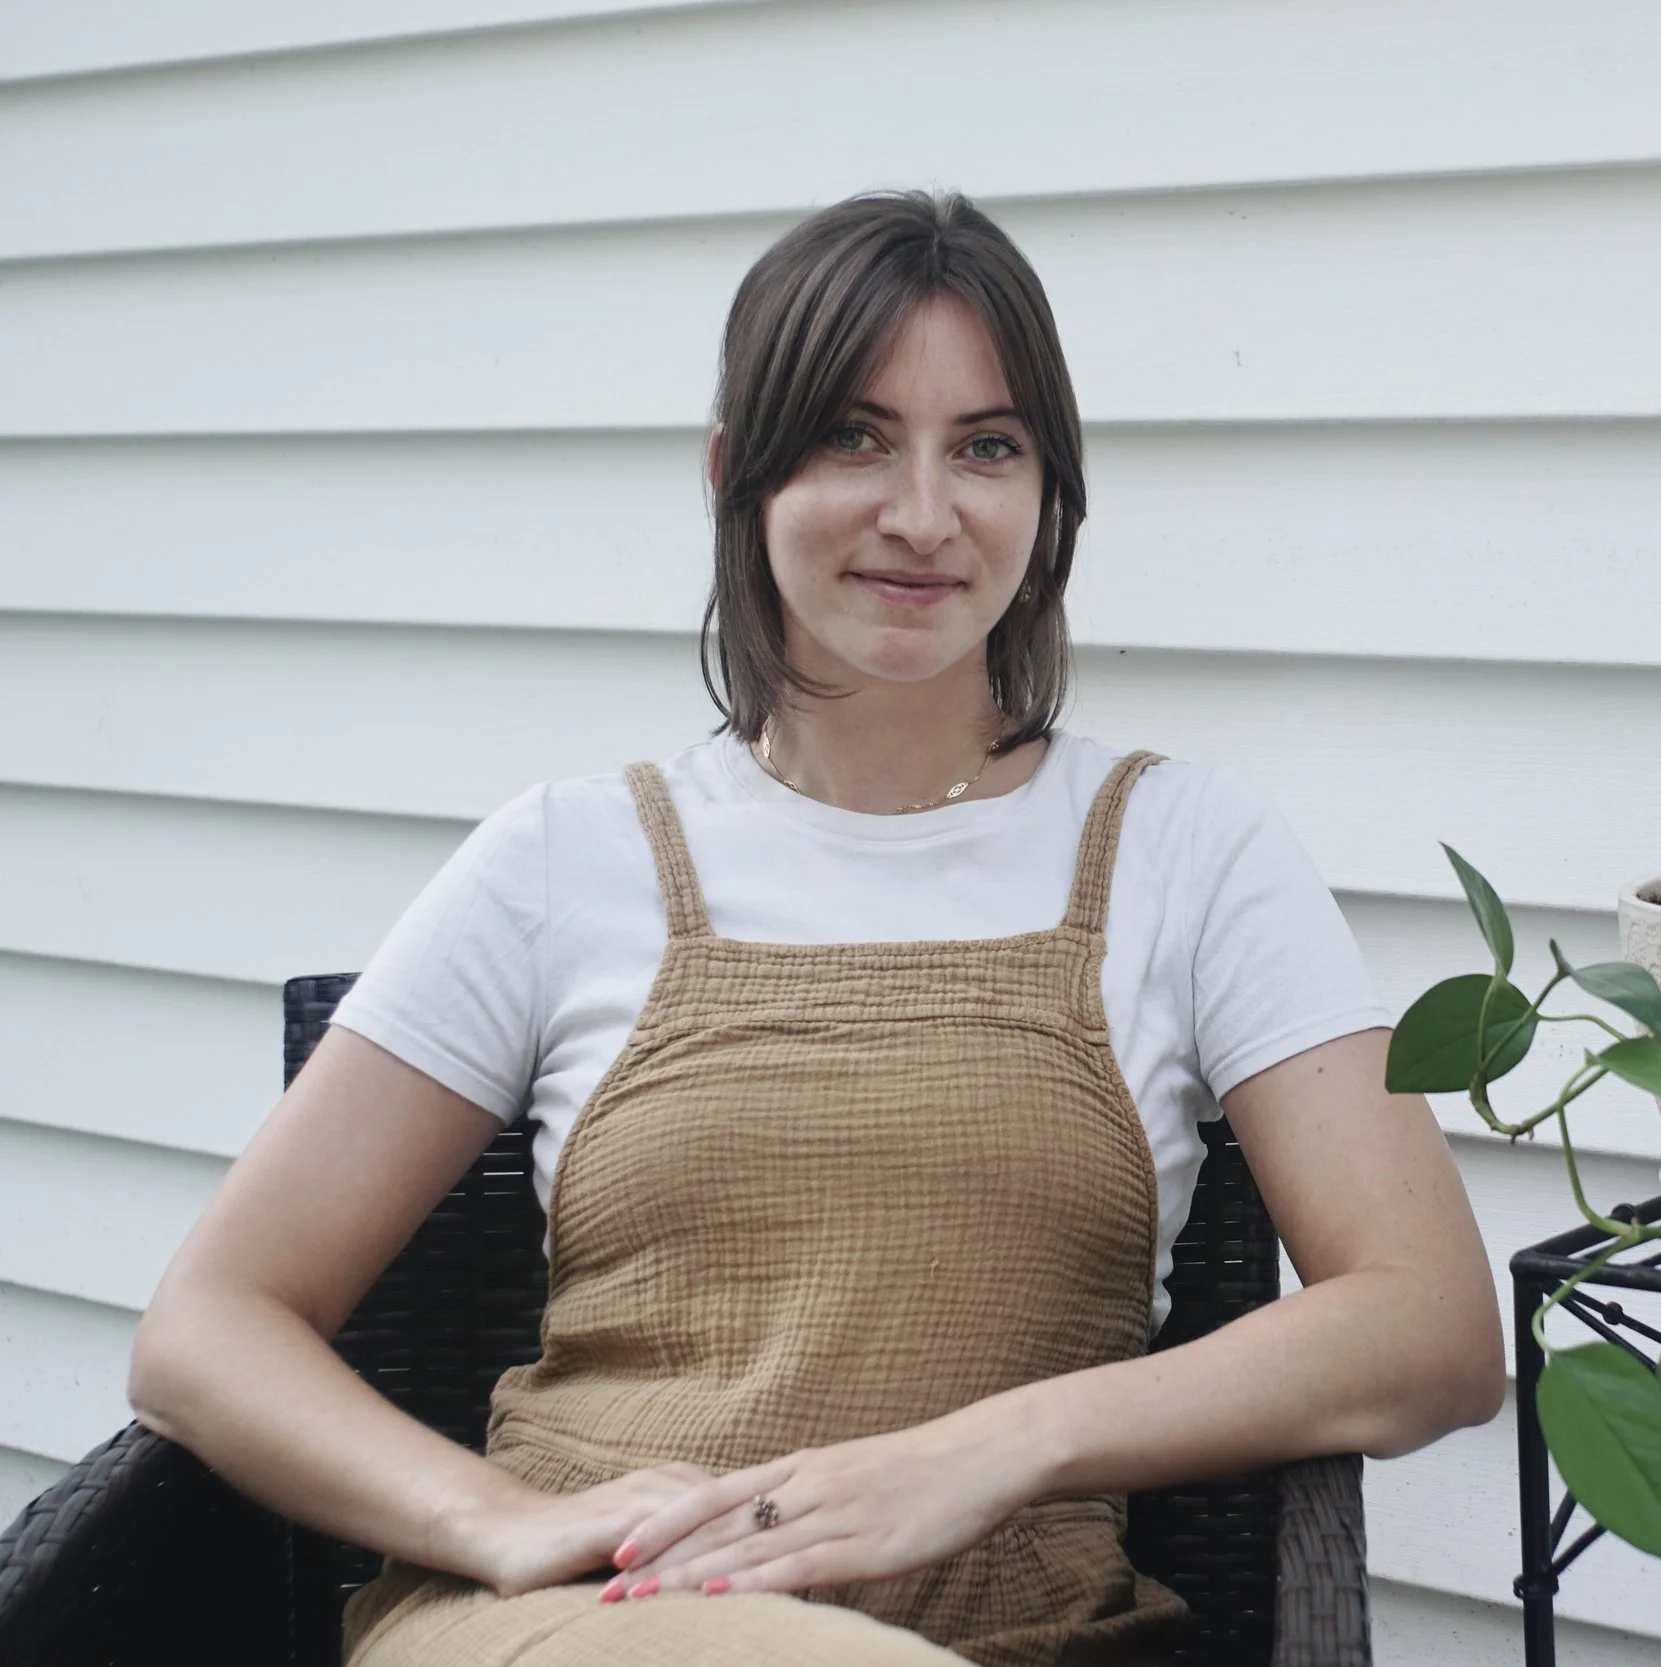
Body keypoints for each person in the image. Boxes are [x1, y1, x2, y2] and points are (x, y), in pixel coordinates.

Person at [126, 190, 1506, 1666]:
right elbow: (205, 1326)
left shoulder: (1191, 850)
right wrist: (488, 1519)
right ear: (740, 472)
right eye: (855, 436)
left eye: (987, 445)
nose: (923, 513)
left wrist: (994, 1447)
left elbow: (1429, 1323)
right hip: (593, 1623)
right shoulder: (563, 859)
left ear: (1051, 496)